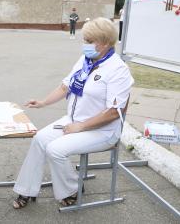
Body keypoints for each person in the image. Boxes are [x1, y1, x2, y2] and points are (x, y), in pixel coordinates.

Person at [12, 17, 134, 209]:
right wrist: (43, 102)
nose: (84, 44)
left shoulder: (118, 70)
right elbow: (64, 87)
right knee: (40, 139)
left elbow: (113, 112)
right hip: (74, 121)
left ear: (103, 44)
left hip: (102, 131)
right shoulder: (85, 61)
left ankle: (72, 190)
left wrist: (80, 126)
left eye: (88, 40)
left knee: (55, 150)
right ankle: (26, 190)